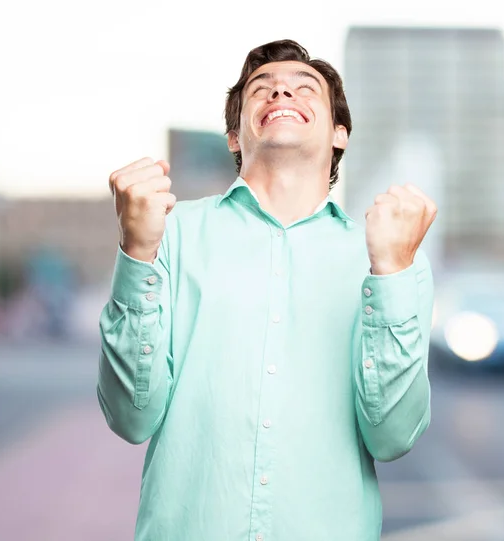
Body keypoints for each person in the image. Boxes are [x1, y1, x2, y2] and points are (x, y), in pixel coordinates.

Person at [98, 39, 437, 541]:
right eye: (263, 88)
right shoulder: (167, 233)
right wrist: (137, 252)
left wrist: (390, 271)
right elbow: (130, 418)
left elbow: (391, 438)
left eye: (306, 89)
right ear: (235, 136)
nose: (281, 89)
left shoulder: (395, 253)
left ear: (340, 134)